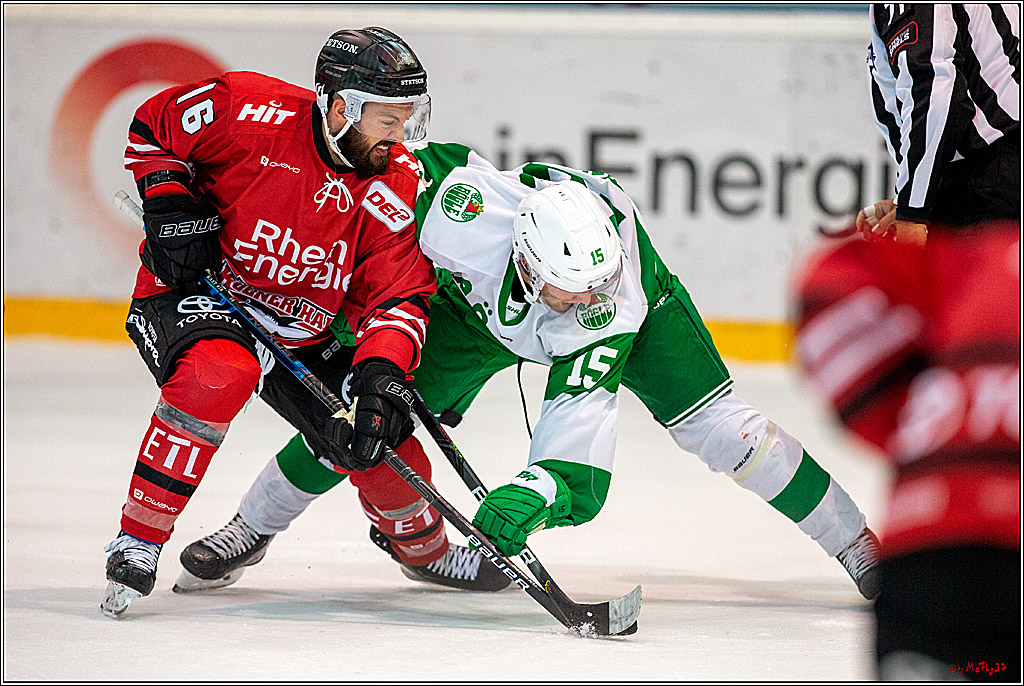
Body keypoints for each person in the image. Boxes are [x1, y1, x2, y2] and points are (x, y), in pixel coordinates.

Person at [175, 142, 884, 601]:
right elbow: (375, 192)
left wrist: (532, 496)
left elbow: (577, 437)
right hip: (480, 317)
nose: (588, 300)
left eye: (593, 287)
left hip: (652, 318)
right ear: (521, 261)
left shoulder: (605, 308)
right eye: (572, 289)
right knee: (367, 417)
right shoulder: (463, 212)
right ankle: (251, 526)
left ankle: (855, 543)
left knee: (728, 435)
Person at [102, 27, 460, 618]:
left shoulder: (395, 180)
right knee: (221, 371)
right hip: (198, 292)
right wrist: (169, 200)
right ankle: (138, 539)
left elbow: (397, 294)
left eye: (407, 119)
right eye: (388, 120)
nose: (400, 137)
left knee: (373, 435)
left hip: (304, 328)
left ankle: (424, 550)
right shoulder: (246, 109)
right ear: (340, 105)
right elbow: (151, 127)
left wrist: (381, 371)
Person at [794, 4, 1020, 680]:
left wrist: (917, 214)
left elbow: (938, 87)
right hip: (979, 180)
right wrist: (910, 199)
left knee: (980, 373)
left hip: (992, 184)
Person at [856, 4, 1020, 246]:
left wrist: (913, 209)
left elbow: (935, 94)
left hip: (990, 180)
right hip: (996, 174)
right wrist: (912, 198)